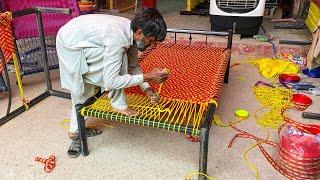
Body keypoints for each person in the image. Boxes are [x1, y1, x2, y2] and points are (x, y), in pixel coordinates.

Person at [56, 8, 168, 158]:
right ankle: (118, 105)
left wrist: (147, 89)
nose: (152, 45)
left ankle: (75, 131)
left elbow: (134, 66)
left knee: (89, 88)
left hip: (77, 38)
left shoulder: (131, 33)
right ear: (140, 33)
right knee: (84, 87)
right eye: (152, 40)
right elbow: (112, 80)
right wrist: (148, 76)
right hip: (70, 45)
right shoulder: (118, 38)